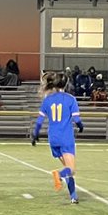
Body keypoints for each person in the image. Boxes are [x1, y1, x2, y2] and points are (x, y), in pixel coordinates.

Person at [32, 71, 83, 204]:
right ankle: (58, 175)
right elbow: (77, 119)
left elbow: (39, 121)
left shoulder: (47, 100)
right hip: (66, 137)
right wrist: (81, 126)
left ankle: (73, 196)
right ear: (66, 84)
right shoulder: (70, 99)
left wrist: (35, 134)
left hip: (53, 138)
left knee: (68, 168)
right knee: (71, 169)